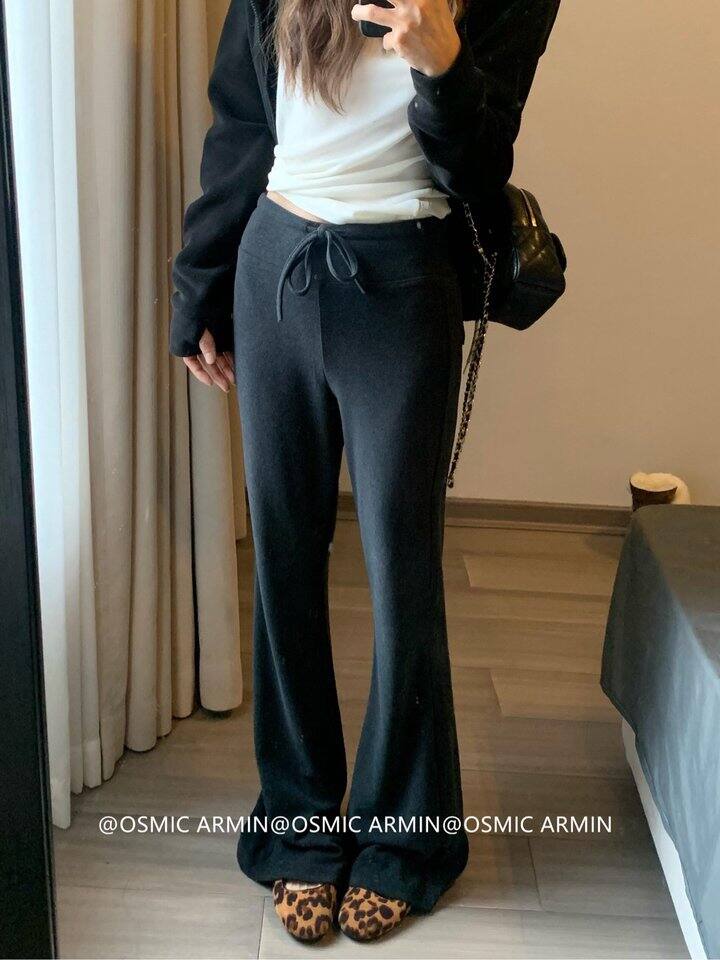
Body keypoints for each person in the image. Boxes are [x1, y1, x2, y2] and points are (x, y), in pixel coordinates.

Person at [170, 0, 559, 944]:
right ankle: (300, 827)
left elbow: (480, 167)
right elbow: (242, 128)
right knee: (285, 563)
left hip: (404, 281)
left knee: (402, 574)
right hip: (276, 268)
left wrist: (444, 65)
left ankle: (404, 842)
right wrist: (198, 286)